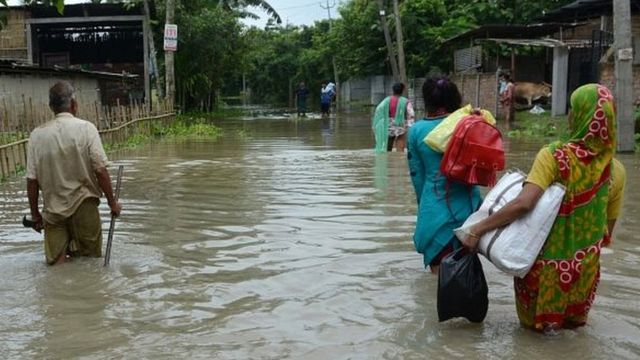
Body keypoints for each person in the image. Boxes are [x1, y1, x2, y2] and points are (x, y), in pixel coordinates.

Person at [461, 84, 626, 333]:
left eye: (572, 109)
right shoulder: (616, 170)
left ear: (579, 115)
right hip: (584, 271)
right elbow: (606, 231)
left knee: (533, 339)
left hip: (545, 273)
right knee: (571, 337)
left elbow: (523, 203)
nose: (569, 114)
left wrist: (477, 229)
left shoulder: (555, 156)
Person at [26, 81, 123, 265]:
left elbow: (32, 181)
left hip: (53, 210)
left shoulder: (37, 136)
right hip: (84, 205)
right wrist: (112, 203)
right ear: (74, 104)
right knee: (90, 262)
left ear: (51, 107)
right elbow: (100, 170)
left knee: (57, 265)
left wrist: (35, 214)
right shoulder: (86, 129)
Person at [407, 77, 481, 274]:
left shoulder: (416, 131)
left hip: (434, 207)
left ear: (426, 101)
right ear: (455, 98)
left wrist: (424, 206)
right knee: (466, 274)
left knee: (439, 280)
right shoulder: (469, 123)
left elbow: (417, 177)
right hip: (469, 208)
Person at [372, 82, 416, 152]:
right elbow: (411, 114)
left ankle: (388, 159)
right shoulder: (406, 102)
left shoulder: (387, 100)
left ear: (393, 90)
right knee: (400, 145)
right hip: (401, 124)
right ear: (402, 90)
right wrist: (410, 125)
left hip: (389, 124)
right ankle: (398, 160)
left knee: (387, 148)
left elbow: (378, 109)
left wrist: (380, 122)